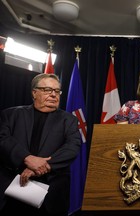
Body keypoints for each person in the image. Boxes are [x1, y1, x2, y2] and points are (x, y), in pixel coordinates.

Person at [0, 73, 81, 216]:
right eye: (47, 90)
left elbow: (72, 147)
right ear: (34, 92)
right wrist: (27, 158)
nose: (53, 95)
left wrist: (42, 166)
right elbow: (3, 139)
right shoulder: (10, 115)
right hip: (11, 192)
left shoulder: (69, 120)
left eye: (57, 91)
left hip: (51, 197)